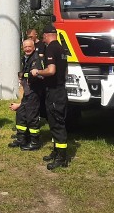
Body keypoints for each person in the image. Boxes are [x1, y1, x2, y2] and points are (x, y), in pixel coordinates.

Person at [31, 24, 69, 170]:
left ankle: (62, 158)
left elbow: (51, 70)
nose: (43, 39)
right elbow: (63, 71)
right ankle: (56, 151)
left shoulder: (51, 48)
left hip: (55, 92)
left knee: (57, 123)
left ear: (47, 35)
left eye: (43, 36)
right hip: (59, 89)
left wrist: (38, 72)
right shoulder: (61, 48)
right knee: (53, 122)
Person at [9, 39, 44, 150]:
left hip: (34, 92)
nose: (27, 49)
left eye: (29, 46)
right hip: (27, 92)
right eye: (25, 47)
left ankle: (34, 142)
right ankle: (21, 139)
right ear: (22, 48)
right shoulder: (26, 58)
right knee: (21, 114)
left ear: (34, 47)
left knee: (31, 117)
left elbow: (36, 74)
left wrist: (23, 75)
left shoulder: (36, 59)